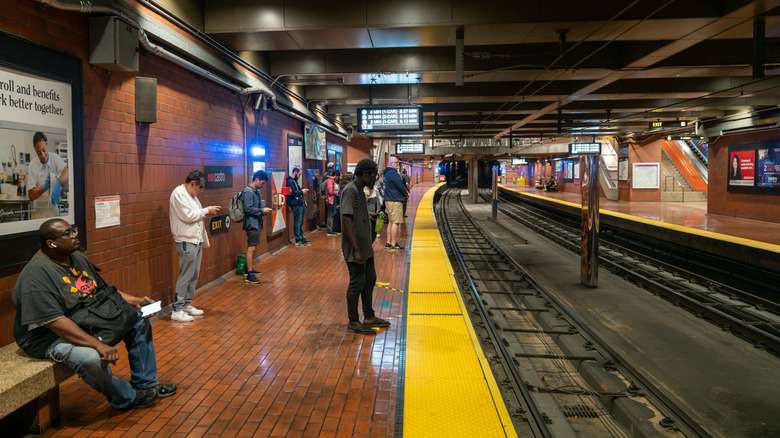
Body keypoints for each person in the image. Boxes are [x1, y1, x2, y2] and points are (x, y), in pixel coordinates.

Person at [12, 219, 176, 410]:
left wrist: (136, 302)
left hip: (83, 318)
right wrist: (98, 345)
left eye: (73, 229)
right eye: (67, 233)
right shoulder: (37, 275)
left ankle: (147, 385)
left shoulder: (76, 257)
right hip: (48, 337)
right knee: (90, 358)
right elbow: (55, 322)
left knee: (137, 319)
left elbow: (102, 291)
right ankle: (126, 397)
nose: (75, 234)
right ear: (51, 243)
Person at [340, 159, 390, 335]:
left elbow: (358, 213)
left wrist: (373, 216)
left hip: (365, 247)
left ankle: (369, 316)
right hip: (356, 249)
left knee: (369, 280)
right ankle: (353, 321)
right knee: (357, 283)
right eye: (373, 176)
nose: (374, 180)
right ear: (364, 174)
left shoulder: (360, 191)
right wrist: (356, 249)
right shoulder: (351, 191)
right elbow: (346, 220)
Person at [168, 170, 221, 322]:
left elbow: (196, 213)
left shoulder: (192, 195)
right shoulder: (179, 193)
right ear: (192, 183)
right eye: (200, 187)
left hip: (195, 240)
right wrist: (207, 210)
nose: (201, 191)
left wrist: (204, 211)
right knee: (186, 275)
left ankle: (186, 304)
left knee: (194, 274)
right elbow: (189, 216)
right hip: (186, 240)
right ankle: (177, 310)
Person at [27, 132, 68, 219]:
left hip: (54, 212)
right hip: (38, 213)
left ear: (47, 144)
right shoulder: (33, 164)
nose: (42, 155)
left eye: (44, 150)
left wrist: (58, 182)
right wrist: (44, 187)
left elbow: (67, 171)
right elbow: (31, 195)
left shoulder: (55, 158)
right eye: (39, 153)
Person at [242, 170, 273, 284]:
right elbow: (248, 209)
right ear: (256, 179)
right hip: (251, 223)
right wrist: (262, 211)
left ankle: (248, 269)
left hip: (256, 222)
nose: (263, 186)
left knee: (253, 247)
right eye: (262, 183)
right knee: (251, 248)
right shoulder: (248, 192)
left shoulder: (256, 191)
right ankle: (249, 275)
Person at [381, 156, 408, 251]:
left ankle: (388, 243)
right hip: (395, 200)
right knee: (395, 223)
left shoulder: (386, 173)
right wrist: (406, 194)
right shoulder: (393, 173)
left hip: (388, 200)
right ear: (391, 164)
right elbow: (400, 186)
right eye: (397, 162)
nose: (398, 164)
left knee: (390, 222)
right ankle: (393, 244)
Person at [285, 167, 310, 246]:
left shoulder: (295, 181)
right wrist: (301, 191)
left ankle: (302, 237)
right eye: (299, 174)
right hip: (296, 203)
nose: (299, 176)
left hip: (300, 202)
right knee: (298, 222)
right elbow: (292, 193)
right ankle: (298, 239)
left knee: (301, 221)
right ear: (295, 172)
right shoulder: (290, 181)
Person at [326, 170, 341, 236]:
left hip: (332, 200)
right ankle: (330, 229)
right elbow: (330, 191)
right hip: (330, 200)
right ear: (335, 175)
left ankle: (331, 229)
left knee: (332, 214)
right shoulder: (330, 181)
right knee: (330, 214)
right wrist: (337, 192)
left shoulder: (332, 181)